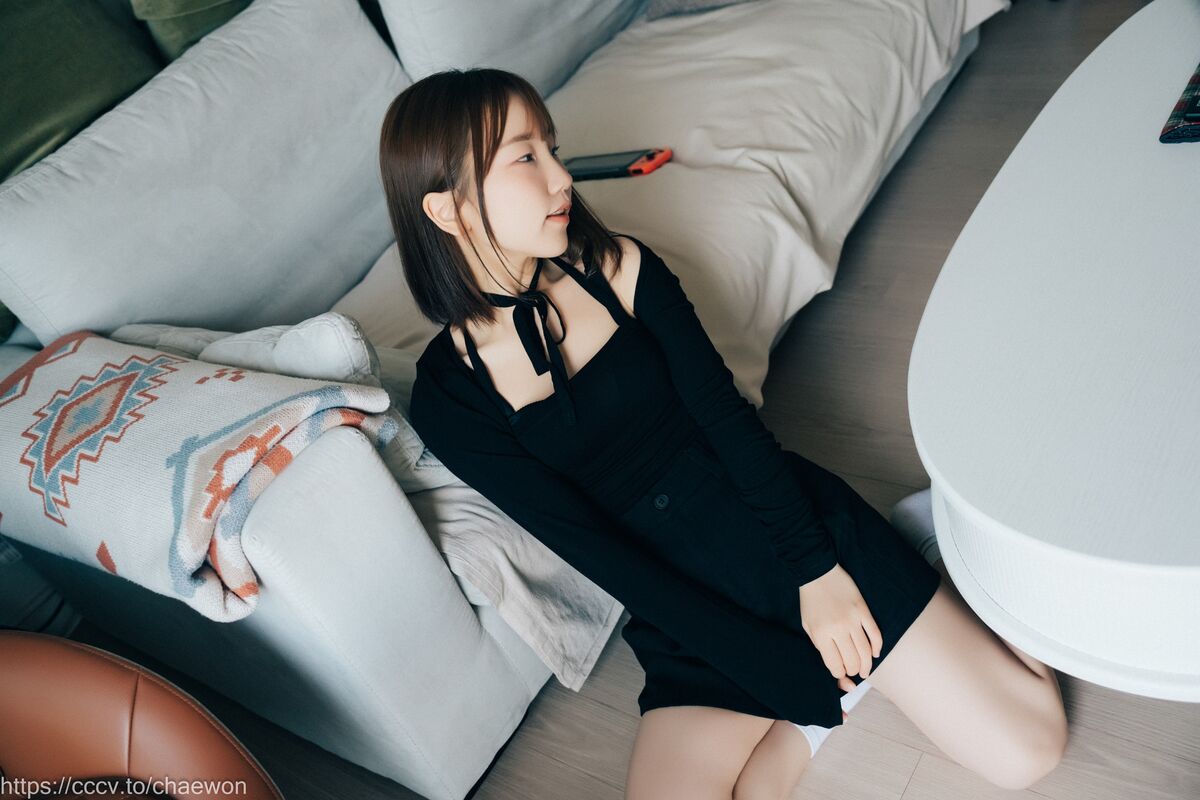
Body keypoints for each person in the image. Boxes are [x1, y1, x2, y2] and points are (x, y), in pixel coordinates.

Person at [378, 68, 1069, 799]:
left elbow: (730, 424)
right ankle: (824, 711)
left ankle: (946, 540)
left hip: (786, 534)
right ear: (447, 208)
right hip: (685, 611)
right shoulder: (450, 400)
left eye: (553, 148)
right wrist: (775, 669)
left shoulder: (620, 268)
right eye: (527, 157)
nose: (561, 178)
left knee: (1030, 750)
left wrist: (817, 575)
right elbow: (597, 551)